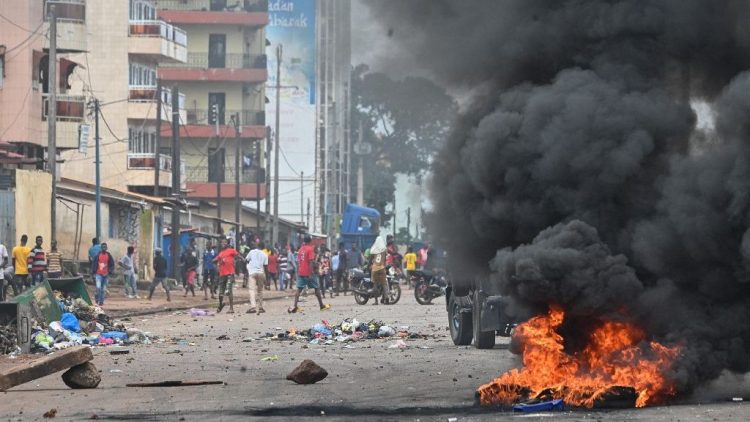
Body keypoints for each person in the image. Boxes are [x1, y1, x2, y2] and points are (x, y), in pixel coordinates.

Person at [288, 235, 330, 313]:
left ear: (304, 241)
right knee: (317, 288)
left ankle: (295, 306)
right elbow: (311, 262)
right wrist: (311, 272)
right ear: (310, 241)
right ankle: (321, 305)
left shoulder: (300, 249)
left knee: (299, 289)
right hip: (308, 272)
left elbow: (299, 261)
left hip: (301, 272)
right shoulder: (310, 249)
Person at [214, 237, 239, 313]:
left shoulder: (231, 250)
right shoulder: (220, 253)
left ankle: (231, 308)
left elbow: (238, 256)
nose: (223, 244)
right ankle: (220, 305)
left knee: (228, 291)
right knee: (221, 292)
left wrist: (244, 260)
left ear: (227, 243)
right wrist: (218, 262)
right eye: (222, 242)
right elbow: (215, 260)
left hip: (229, 274)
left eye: (225, 242)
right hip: (222, 274)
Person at [245, 241, 268, 315]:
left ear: (257, 245)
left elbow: (246, 260)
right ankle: (260, 307)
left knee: (252, 290)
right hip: (261, 273)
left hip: (252, 273)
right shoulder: (265, 254)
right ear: (263, 247)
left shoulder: (252, 252)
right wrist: (266, 278)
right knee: (260, 290)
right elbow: (266, 267)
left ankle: (253, 307)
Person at [369, 235, 389, 305]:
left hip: (375, 269)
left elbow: (370, 259)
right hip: (382, 268)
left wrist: (369, 265)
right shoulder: (384, 249)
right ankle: (386, 299)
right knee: (384, 284)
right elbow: (386, 259)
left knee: (375, 285)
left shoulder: (374, 249)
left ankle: (376, 301)